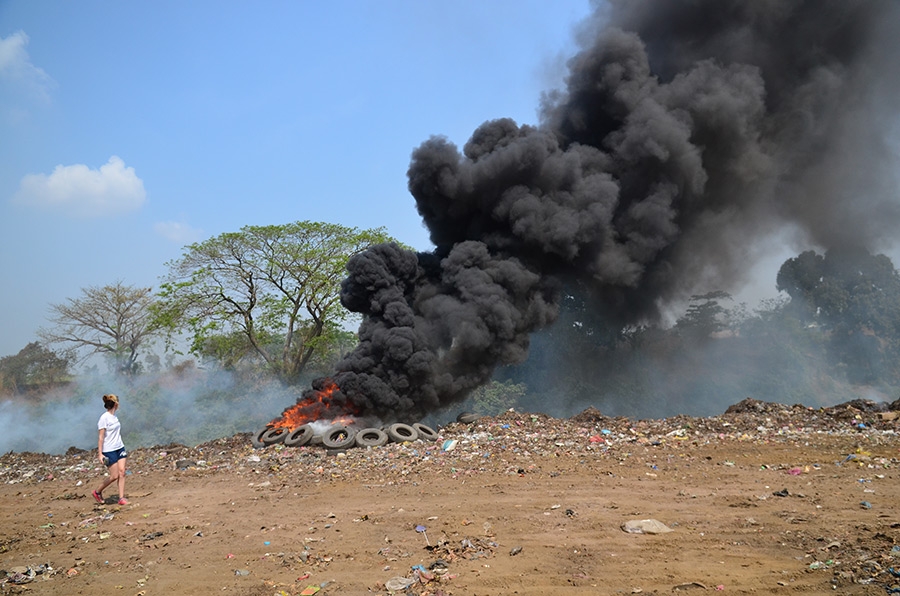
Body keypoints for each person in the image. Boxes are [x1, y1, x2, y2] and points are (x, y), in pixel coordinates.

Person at [92, 393, 129, 505]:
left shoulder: (115, 417)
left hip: (119, 447)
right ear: (116, 404)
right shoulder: (104, 418)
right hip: (109, 450)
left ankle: (121, 498)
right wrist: (100, 454)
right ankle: (97, 491)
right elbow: (101, 437)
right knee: (114, 476)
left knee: (122, 472)